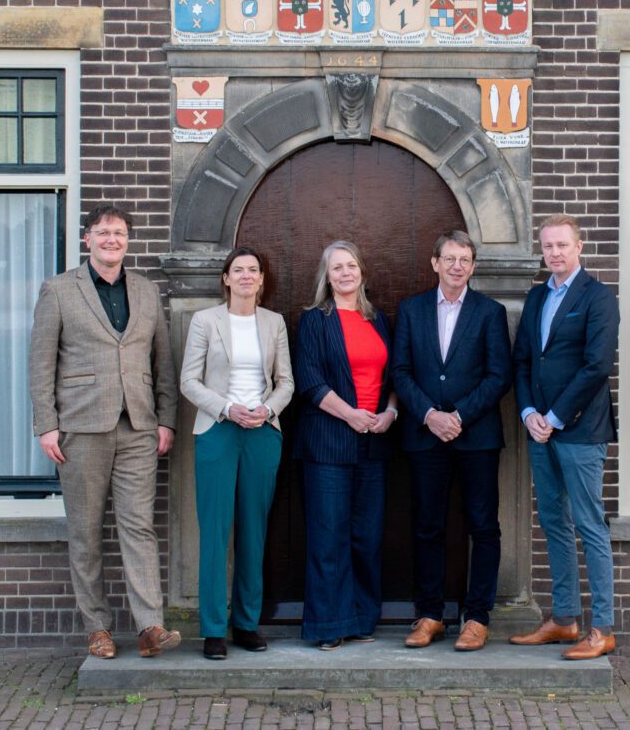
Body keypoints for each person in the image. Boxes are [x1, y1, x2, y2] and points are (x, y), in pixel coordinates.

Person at [28, 204, 181, 660]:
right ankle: (97, 628)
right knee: (86, 531)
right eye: (103, 232)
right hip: (80, 427)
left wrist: (166, 419)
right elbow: (41, 363)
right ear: (87, 239)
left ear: (128, 240)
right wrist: (47, 424)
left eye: (119, 233)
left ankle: (150, 626)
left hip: (139, 426)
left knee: (139, 527)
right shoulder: (58, 290)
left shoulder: (146, 291)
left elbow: (163, 361)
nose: (111, 239)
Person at [392, 230, 512, 652]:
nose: (457, 266)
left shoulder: (490, 312)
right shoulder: (411, 310)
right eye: (450, 258)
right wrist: (430, 415)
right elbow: (400, 371)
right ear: (435, 263)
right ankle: (430, 615)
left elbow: (499, 375)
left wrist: (458, 416)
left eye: (464, 260)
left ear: (473, 266)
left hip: (476, 437)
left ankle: (477, 617)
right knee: (428, 526)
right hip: (425, 436)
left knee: (484, 526)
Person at [510, 214, 620, 660]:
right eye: (548, 246)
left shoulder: (598, 297)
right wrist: (529, 413)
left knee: (589, 525)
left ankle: (603, 628)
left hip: (579, 430)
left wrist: (554, 416)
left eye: (562, 245)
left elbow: (597, 366)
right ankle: (563, 619)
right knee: (553, 522)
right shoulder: (537, 297)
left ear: (579, 247)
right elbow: (523, 361)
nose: (554, 253)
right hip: (540, 431)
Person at [179, 247, 294, 661]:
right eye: (238, 270)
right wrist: (228, 409)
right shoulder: (205, 320)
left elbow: (286, 381)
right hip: (218, 431)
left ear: (261, 279)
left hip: (262, 433)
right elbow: (189, 381)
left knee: (253, 531)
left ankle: (246, 623)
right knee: (214, 531)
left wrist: (268, 409)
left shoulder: (274, 322)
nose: (246, 276)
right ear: (226, 279)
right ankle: (213, 629)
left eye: (253, 270)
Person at [292, 240, 399, 650]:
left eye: (351, 265)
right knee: (329, 537)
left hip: (374, 442)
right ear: (327, 275)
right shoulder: (315, 321)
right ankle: (329, 625)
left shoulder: (378, 320)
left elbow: (395, 377)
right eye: (337, 267)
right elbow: (310, 381)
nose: (345, 273)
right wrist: (350, 414)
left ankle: (362, 619)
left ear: (362, 271)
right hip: (328, 442)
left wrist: (390, 412)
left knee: (367, 536)